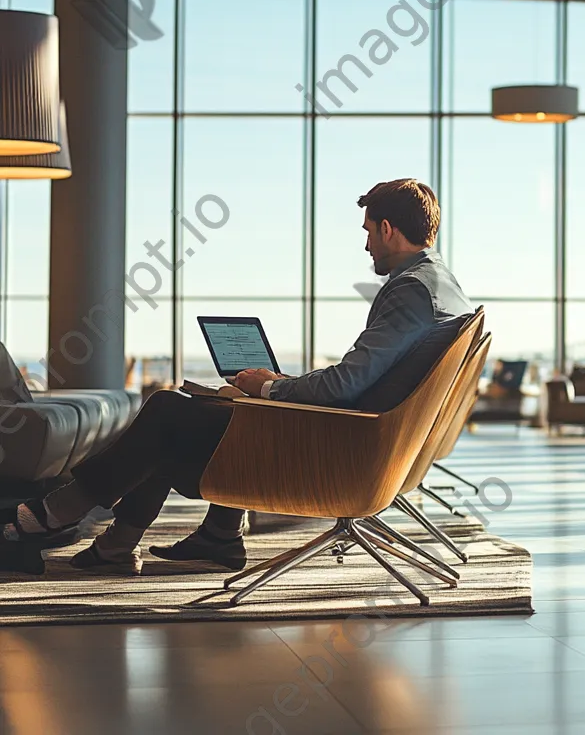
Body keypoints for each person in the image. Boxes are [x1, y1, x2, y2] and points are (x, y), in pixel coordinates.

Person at [0, 179, 472, 576]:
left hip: (344, 455)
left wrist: (268, 388)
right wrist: (275, 386)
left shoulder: (409, 291)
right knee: (187, 413)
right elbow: (360, 381)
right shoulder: (444, 288)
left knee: (168, 413)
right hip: (365, 441)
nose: (366, 243)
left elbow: (344, 387)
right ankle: (186, 540)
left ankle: (60, 515)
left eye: (369, 231)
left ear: (388, 229)